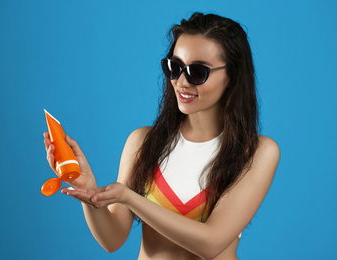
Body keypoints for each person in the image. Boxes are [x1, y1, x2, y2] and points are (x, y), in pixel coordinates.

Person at [44, 12, 280, 260]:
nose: (181, 82)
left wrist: (130, 199)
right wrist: (89, 192)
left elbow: (211, 243)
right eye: (174, 67)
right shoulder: (143, 142)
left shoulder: (255, 152)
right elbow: (113, 240)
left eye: (198, 72)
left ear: (232, 77)